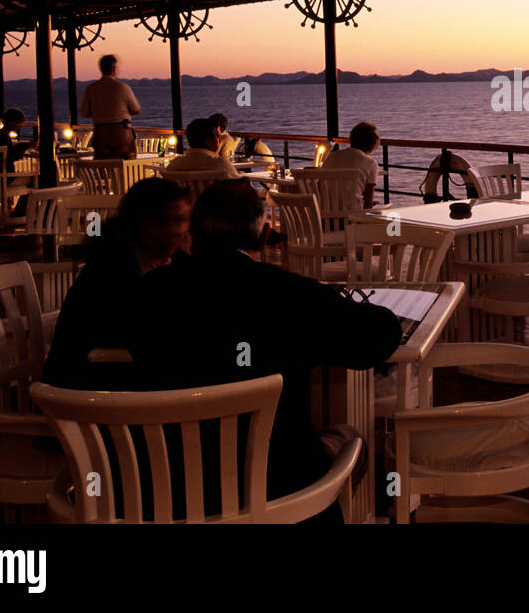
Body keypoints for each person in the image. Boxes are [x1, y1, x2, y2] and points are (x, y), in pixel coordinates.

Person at [129, 180, 401, 516]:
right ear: (263, 236)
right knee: (350, 439)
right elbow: (380, 337)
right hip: (281, 490)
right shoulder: (290, 295)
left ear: (193, 236)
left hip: (167, 491)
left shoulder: (144, 295)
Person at [42, 178, 192, 391]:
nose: (173, 230)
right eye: (160, 222)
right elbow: (140, 334)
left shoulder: (178, 262)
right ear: (136, 224)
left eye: (181, 220)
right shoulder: (109, 271)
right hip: (88, 392)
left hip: (132, 382)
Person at [79, 54, 141, 159]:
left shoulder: (91, 88)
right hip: (121, 136)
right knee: (126, 166)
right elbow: (135, 109)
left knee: (103, 167)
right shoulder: (122, 87)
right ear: (114, 68)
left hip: (100, 136)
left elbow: (84, 112)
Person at [322, 121, 380, 208]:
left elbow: (321, 186)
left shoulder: (331, 156)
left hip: (326, 216)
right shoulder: (371, 163)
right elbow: (368, 203)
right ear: (372, 144)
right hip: (353, 217)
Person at [166, 118, 240, 178]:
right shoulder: (221, 164)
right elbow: (239, 188)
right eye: (217, 137)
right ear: (208, 142)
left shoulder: (174, 165)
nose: (220, 140)